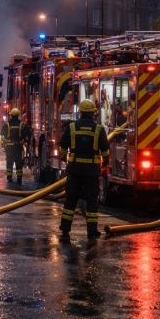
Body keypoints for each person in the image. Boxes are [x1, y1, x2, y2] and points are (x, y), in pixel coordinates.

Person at [59, 98, 110, 241]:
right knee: (92, 201)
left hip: (74, 170)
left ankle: (65, 229)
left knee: (70, 200)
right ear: (93, 113)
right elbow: (105, 149)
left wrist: (64, 158)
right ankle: (92, 231)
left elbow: (63, 145)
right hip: (91, 172)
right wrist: (105, 162)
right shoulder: (99, 129)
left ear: (80, 112)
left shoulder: (72, 127)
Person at [1, 108, 31, 184]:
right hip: (18, 147)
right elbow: (28, 134)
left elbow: (2, 136)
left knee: (9, 163)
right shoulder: (22, 125)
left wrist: (3, 146)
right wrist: (26, 142)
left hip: (9, 147)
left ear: (10, 115)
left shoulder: (6, 125)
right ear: (18, 115)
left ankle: (9, 178)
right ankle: (19, 179)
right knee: (19, 163)